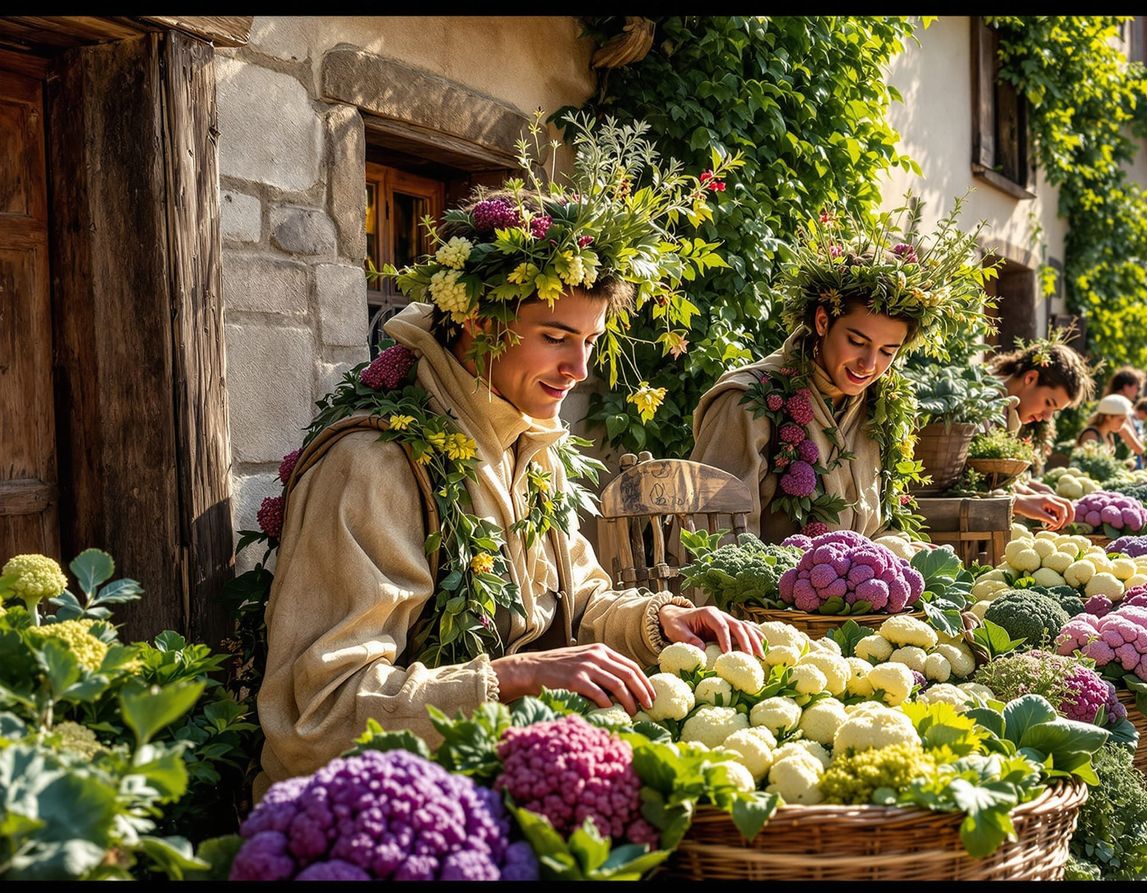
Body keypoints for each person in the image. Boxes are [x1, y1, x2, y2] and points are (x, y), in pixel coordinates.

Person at [255, 117, 760, 794]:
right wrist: (514, 678)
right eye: (555, 336)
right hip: (389, 816)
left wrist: (656, 621)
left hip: (511, 778)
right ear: (479, 320)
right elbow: (319, 715)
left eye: (590, 340)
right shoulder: (373, 464)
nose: (579, 367)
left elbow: (576, 602)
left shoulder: (532, 444)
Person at [692, 201, 994, 540]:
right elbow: (714, 543)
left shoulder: (880, 407)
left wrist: (896, 558)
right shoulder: (745, 402)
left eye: (887, 352)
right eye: (856, 341)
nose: (869, 365)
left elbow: (881, 524)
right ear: (823, 321)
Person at [989, 334, 1095, 527]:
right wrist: (1019, 501)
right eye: (1048, 403)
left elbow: (989, 479)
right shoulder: (980, 403)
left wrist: (1028, 489)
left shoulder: (1009, 408)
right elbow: (962, 485)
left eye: (1054, 411)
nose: (1047, 417)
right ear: (1030, 378)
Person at [1077, 394, 1145, 461]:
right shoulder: (1091, 435)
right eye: (1121, 420)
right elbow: (1087, 464)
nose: (1123, 424)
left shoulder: (1109, 435)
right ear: (1108, 417)